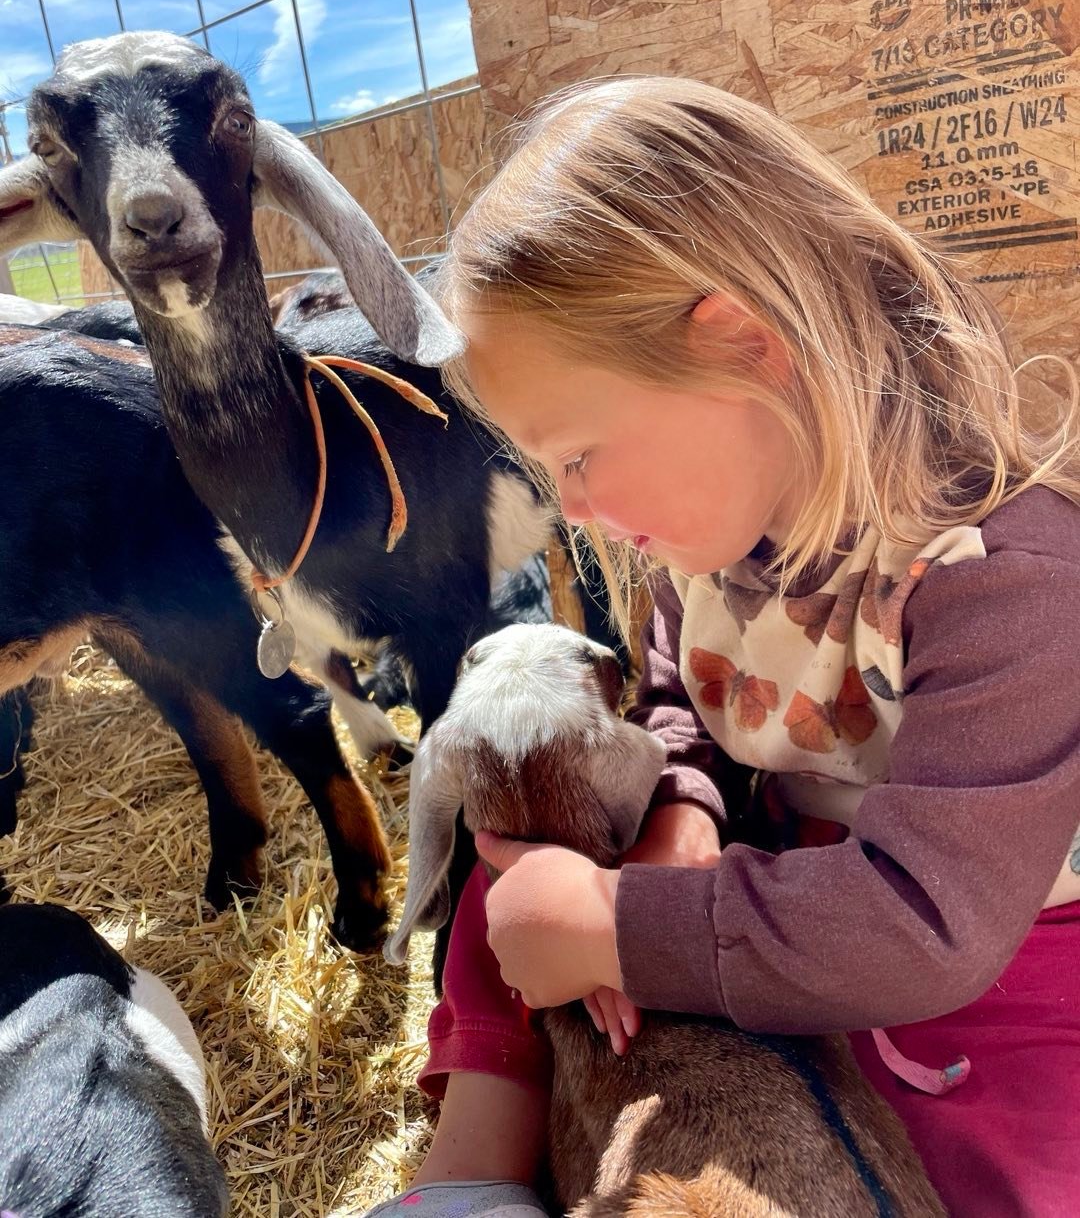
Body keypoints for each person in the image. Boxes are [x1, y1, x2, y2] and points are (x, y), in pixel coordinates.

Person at [365, 77, 1080, 1218]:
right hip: (784, 880)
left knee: (1026, 1166)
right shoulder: (714, 538)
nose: (574, 506)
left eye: (582, 453)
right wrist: (681, 815)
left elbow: (928, 923)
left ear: (741, 345)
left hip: (998, 950)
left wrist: (617, 928)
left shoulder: (1006, 580)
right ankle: (477, 1158)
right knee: (519, 843)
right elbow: (678, 700)